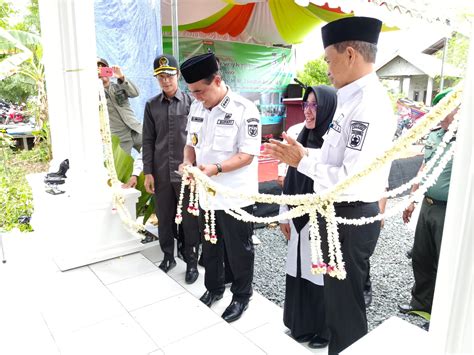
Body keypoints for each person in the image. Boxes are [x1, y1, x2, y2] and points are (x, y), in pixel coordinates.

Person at [263, 17, 396, 354]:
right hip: (335, 213)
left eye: (328, 59)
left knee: (346, 307)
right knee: (335, 302)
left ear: (350, 54)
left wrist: (301, 162)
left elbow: (350, 177)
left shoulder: (370, 104)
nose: (326, 68)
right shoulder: (348, 99)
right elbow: (334, 155)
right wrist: (303, 152)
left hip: (350, 215)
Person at [179, 53, 261, 323]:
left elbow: (247, 154)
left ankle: (241, 296)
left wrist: (215, 169)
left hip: (235, 195)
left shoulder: (244, 109)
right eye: (192, 93)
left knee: (239, 249)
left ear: (216, 80)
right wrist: (187, 164)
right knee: (210, 245)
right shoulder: (197, 107)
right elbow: (191, 143)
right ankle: (213, 288)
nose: (196, 97)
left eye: (200, 91)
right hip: (206, 194)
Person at [279, 85, 337, 349]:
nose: (309, 111)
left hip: (321, 219)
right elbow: (289, 179)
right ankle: (299, 324)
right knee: (298, 270)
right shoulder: (296, 133)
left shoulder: (333, 143)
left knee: (318, 274)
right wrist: (284, 215)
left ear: (326, 108)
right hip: (297, 214)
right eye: (306, 105)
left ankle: (323, 330)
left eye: (315, 105)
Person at [398, 90, 458, 330]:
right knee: (422, 257)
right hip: (428, 205)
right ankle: (421, 303)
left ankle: (442, 316)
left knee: (446, 263)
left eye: (445, 108)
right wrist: (412, 198)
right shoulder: (436, 136)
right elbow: (423, 167)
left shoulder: (465, 140)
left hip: (449, 210)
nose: (439, 114)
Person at [142, 54, 201, 284]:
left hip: (185, 172)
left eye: (169, 75)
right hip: (160, 171)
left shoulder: (191, 104)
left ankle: (192, 260)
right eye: (160, 77)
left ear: (178, 75)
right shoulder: (151, 105)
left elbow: (198, 139)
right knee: (164, 216)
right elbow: (148, 140)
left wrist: (197, 170)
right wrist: (148, 171)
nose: (165, 80)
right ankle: (168, 256)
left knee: (189, 218)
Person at [97, 57, 142, 154]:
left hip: (136, 130)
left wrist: (121, 77)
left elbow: (135, 93)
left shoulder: (119, 85)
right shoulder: (94, 93)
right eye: (97, 69)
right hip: (119, 138)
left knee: (156, 158)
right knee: (122, 168)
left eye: (103, 68)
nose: (101, 72)